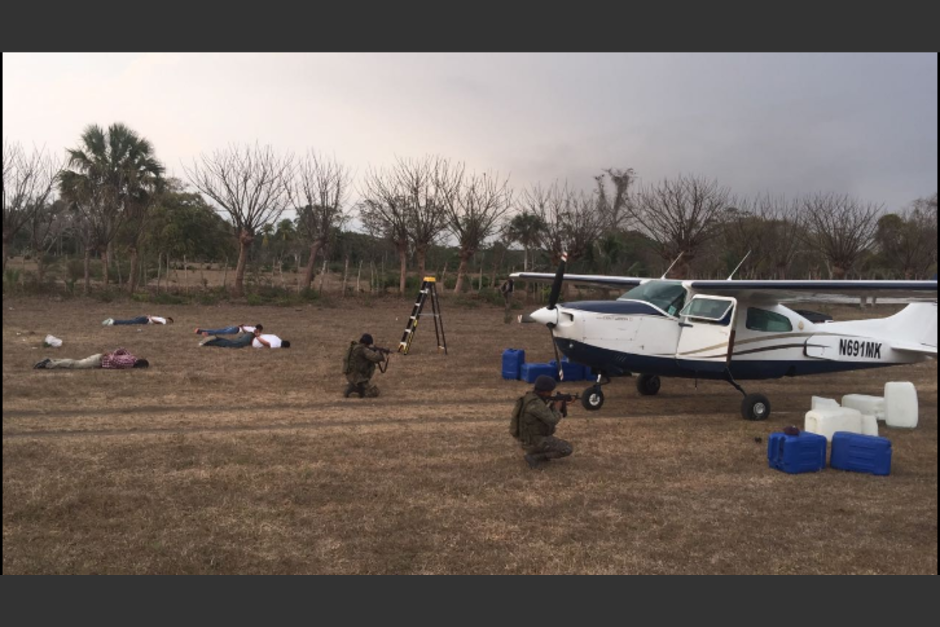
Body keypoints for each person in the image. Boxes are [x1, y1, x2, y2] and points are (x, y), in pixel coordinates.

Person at [510, 375, 573, 469]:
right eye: (550, 391)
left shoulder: (530, 398)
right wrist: (557, 408)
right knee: (567, 448)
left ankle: (538, 452)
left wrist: (562, 403)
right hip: (534, 442)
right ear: (544, 391)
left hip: (529, 439)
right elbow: (552, 420)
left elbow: (543, 410)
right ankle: (535, 457)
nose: (551, 393)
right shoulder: (535, 404)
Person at [343, 333, 387, 398]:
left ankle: (356, 387)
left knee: (363, 388)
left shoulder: (355, 347)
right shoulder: (363, 349)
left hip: (350, 374)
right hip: (358, 377)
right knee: (374, 392)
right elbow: (375, 357)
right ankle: (355, 389)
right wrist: (378, 352)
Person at [34, 347, 150, 370]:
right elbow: (115, 361)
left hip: (98, 357)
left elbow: (122, 350)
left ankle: (52, 360)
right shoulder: (130, 363)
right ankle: (49, 364)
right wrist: (110, 355)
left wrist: (112, 352)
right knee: (75, 365)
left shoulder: (132, 357)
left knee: (76, 362)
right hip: (98, 361)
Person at [194, 323, 262, 336]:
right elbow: (244, 329)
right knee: (220, 332)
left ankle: (200, 331)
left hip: (234, 327)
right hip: (236, 330)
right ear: (258, 329)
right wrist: (243, 328)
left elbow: (243, 325)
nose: (258, 332)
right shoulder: (254, 330)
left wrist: (242, 326)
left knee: (219, 330)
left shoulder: (251, 327)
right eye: (259, 331)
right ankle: (206, 333)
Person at [103, 315, 174, 326]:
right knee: (130, 322)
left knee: (130, 321)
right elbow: (156, 322)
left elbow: (152, 316)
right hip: (146, 320)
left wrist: (149, 316)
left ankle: (113, 321)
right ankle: (114, 322)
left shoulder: (162, 318)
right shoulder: (164, 321)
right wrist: (150, 318)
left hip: (145, 317)